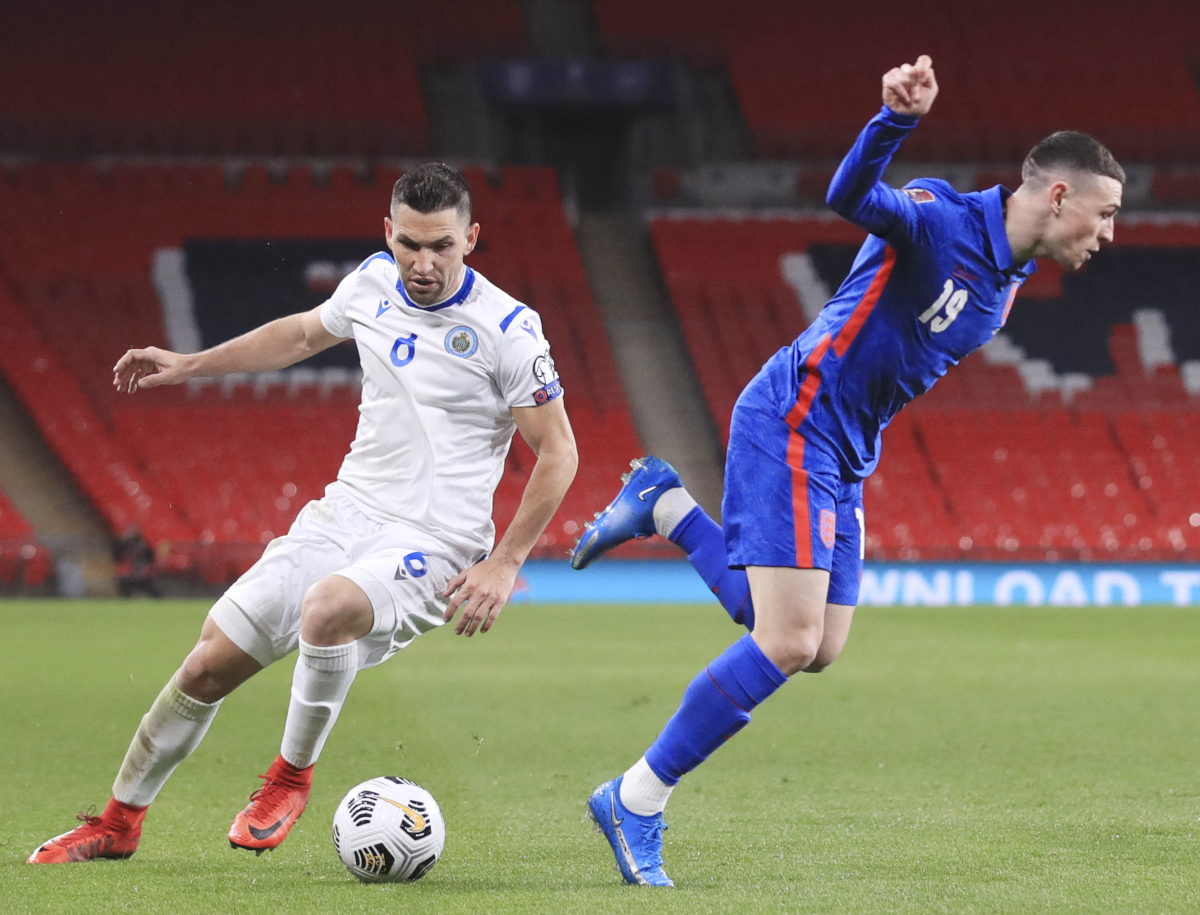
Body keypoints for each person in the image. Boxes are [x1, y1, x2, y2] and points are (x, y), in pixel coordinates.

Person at [571, 56, 1124, 886]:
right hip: (797, 416)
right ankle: (636, 797)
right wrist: (893, 120)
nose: (1109, 232)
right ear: (1057, 196)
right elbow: (852, 196)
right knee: (785, 637)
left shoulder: (1007, 281)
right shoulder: (940, 216)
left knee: (817, 645)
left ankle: (667, 506)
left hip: (847, 450)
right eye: (1105, 211)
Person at [28, 163, 578, 864]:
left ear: (471, 238)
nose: (424, 261)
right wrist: (191, 364)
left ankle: (289, 777)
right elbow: (296, 336)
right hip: (347, 513)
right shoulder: (373, 283)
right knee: (206, 663)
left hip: (436, 540)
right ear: (388, 232)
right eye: (410, 242)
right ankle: (118, 822)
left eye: (441, 244)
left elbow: (558, 451)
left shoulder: (508, 328)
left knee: (326, 609)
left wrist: (503, 563)